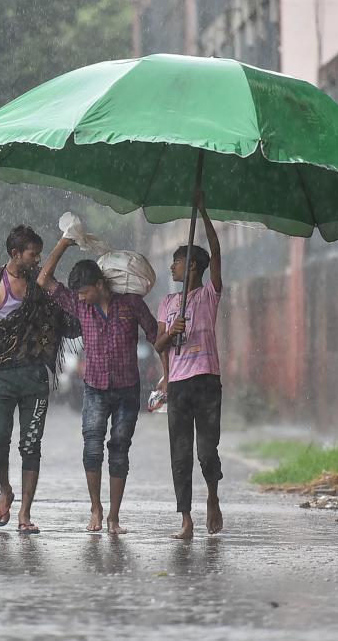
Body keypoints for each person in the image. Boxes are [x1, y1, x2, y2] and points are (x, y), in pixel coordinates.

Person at [0, 226, 81, 535]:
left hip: (34, 376)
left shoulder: (38, 285)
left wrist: (65, 244)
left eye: (39, 254)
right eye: (33, 253)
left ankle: (25, 512)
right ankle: (5, 489)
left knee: (31, 445)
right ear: (16, 254)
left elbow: (49, 276)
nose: (37, 259)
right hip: (0, 376)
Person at [38, 238, 158, 535]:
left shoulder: (132, 305)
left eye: (84, 291)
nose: (80, 298)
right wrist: (65, 241)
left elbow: (158, 336)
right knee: (92, 449)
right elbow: (44, 280)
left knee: (119, 449)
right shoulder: (81, 308)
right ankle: (96, 508)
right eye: (77, 294)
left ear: (100, 285)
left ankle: (114, 517)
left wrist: (167, 375)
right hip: (94, 388)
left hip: (127, 390)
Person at [154, 192, 224, 540]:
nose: (172, 267)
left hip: (207, 381)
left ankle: (212, 495)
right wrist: (172, 333)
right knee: (180, 454)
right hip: (179, 385)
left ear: (193, 267)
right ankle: (185, 518)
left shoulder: (210, 294)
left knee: (206, 451)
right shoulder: (167, 302)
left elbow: (216, 252)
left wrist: (203, 211)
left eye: (177, 262)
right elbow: (159, 346)